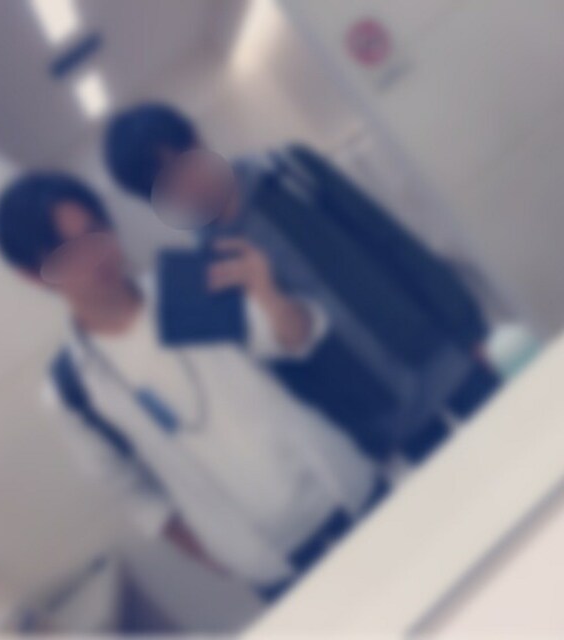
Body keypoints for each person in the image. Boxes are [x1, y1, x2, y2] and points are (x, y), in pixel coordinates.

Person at [0, 172, 383, 601]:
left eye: (96, 232)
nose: (96, 255)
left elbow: (298, 340)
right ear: (33, 275)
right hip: (275, 561)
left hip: (345, 489)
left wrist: (268, 293)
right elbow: (129, 489)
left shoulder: (187, 286)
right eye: (69, 252)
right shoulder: (71, 389)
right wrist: (209, 553)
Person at [103, 103, 501, 461]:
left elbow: (387, 239)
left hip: (439, 355)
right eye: (168, 187)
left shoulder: (290, 172)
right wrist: (362, 437)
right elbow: (285, 374)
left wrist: (466, 326)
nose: (189, 187)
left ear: (198, 140)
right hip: (385, 414)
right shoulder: (209, 273)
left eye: (184, 164)